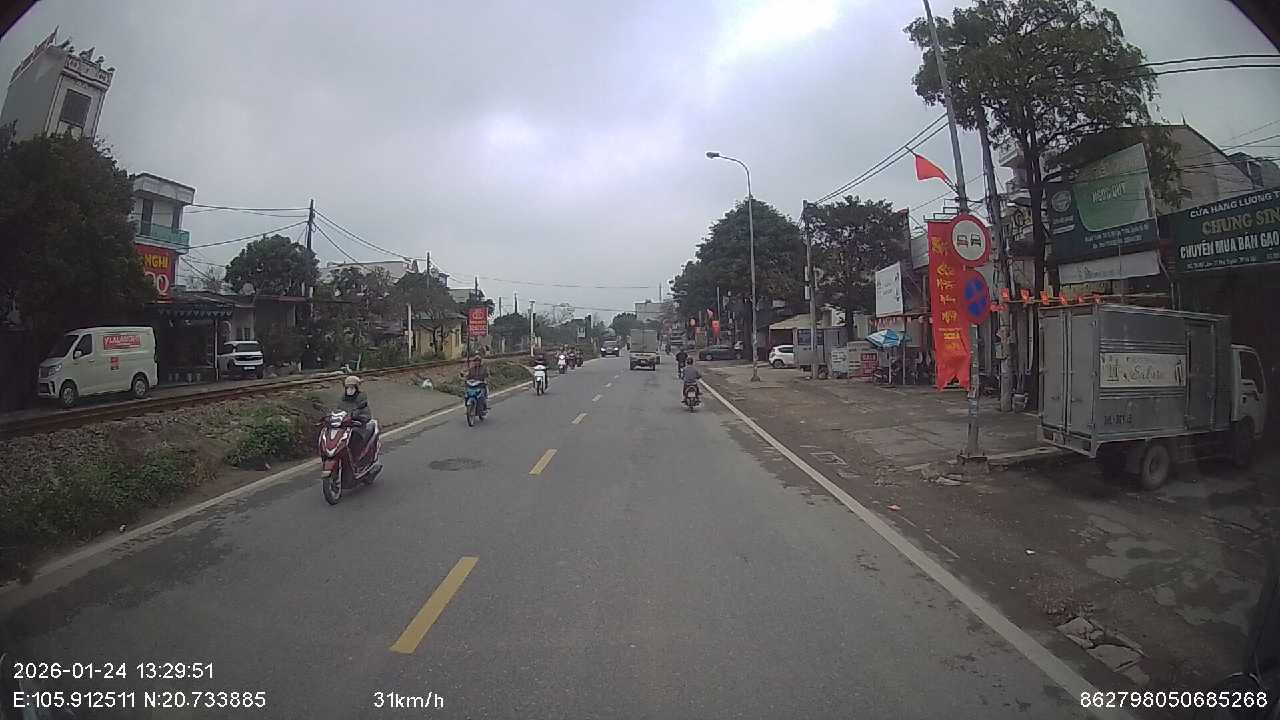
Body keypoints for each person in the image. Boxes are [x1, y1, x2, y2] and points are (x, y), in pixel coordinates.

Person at [339, 375, 372, 452]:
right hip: (345, 424)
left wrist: (356, 416)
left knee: (355, 436)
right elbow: (338, 409)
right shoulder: (343, 398)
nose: (350, 390)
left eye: (352, 387)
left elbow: (365, 414)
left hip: (359, 425)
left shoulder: (361, 397)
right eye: (348, 387)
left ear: (356, 387)